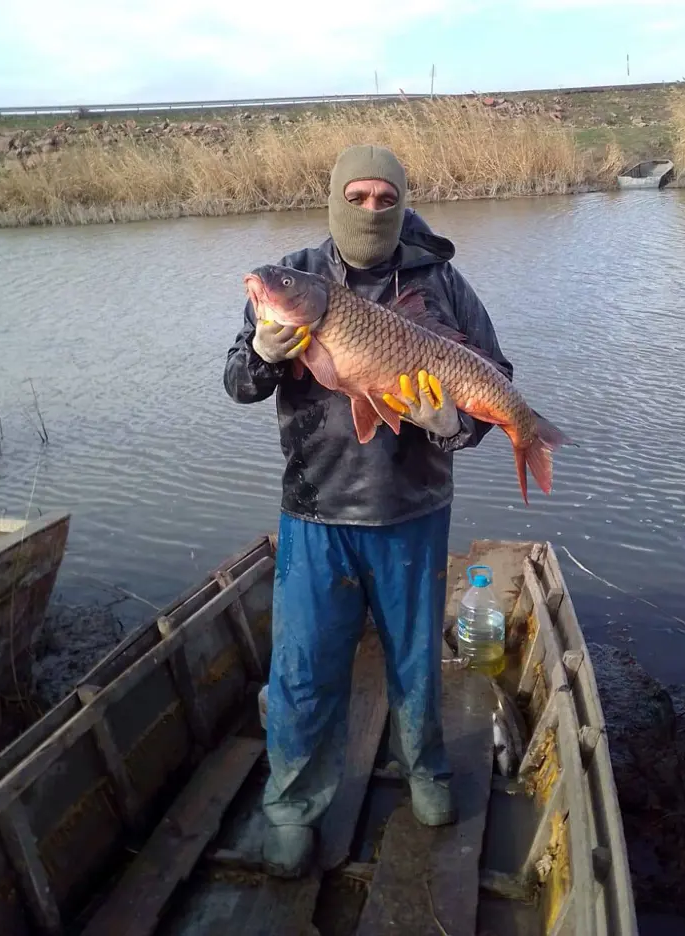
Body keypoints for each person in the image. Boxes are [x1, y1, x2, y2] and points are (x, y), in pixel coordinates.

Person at [223, 143, 514, 878]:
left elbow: (496, 378)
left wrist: (456, 426)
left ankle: (426, 773)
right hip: (315, 509)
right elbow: (237, 382)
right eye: (358, 195)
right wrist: (262, 349)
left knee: (417, 664)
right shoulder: (294, 277)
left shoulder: (442, 281)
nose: (372, 209)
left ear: (402, 200)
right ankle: (291, 807)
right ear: (333, 200)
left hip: (413, 509)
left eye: (386, 197)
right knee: (303, 670)